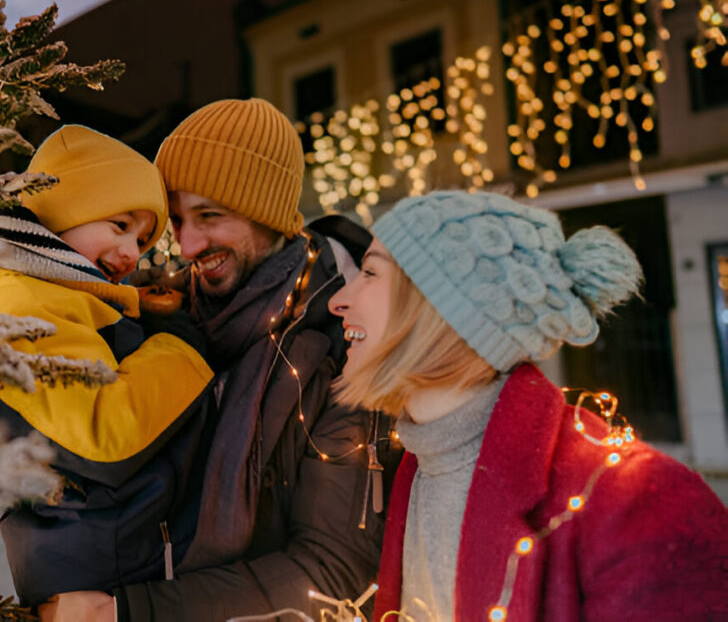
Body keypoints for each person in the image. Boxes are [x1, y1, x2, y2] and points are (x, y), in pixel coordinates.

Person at [45, 98, 401, 622]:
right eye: (179, 219)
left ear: (268, 212)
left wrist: (127, 613)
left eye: (210, 216)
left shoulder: (344, 348)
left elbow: (333, 572)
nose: (187, 245)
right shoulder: (162, 319)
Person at [328, 190, 728, 621]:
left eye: (370, 272)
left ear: (443, 309)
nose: (338, 301)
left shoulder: (642, 504)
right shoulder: (417, 471)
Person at [0, 124, 216, 609]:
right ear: (61, 212)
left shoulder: (59, 296)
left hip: (106, 559)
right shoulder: (21, 301)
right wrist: (183, 344)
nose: (130, 253)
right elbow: (103, 436)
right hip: (96, 572)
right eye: (119, 225)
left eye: (143, 240)